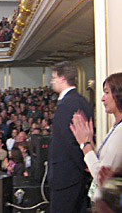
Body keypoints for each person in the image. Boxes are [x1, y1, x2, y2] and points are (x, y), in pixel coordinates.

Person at [48, 61, 93, 213]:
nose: (52, 81)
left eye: (54, 77)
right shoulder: (81, 100)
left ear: (62, 78)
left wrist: (83, 165)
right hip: (75, 175)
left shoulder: (67, 104)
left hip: (66, 175)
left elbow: (70, 142)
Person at [70, 72, 122, 202]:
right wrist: (89, 142)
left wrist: (84, 144)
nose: (102, 99)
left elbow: (101, 176)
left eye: (106, 93)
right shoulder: (116, 126)